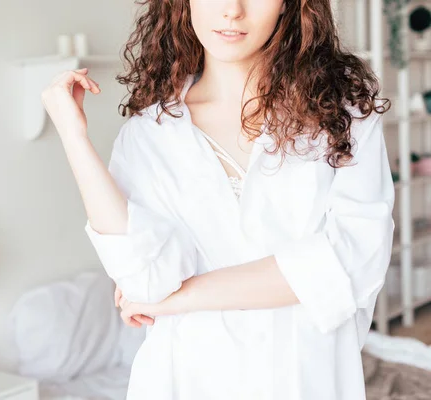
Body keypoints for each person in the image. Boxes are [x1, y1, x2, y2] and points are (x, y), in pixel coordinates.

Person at [41, 0, 395, 398]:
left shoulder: (344, 116)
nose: (232, 9)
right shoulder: (149, 135)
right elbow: (144, 281)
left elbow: (351, 261)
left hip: (305, 379)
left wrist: (181, 298)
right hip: (187, 379)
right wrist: (74, 138)